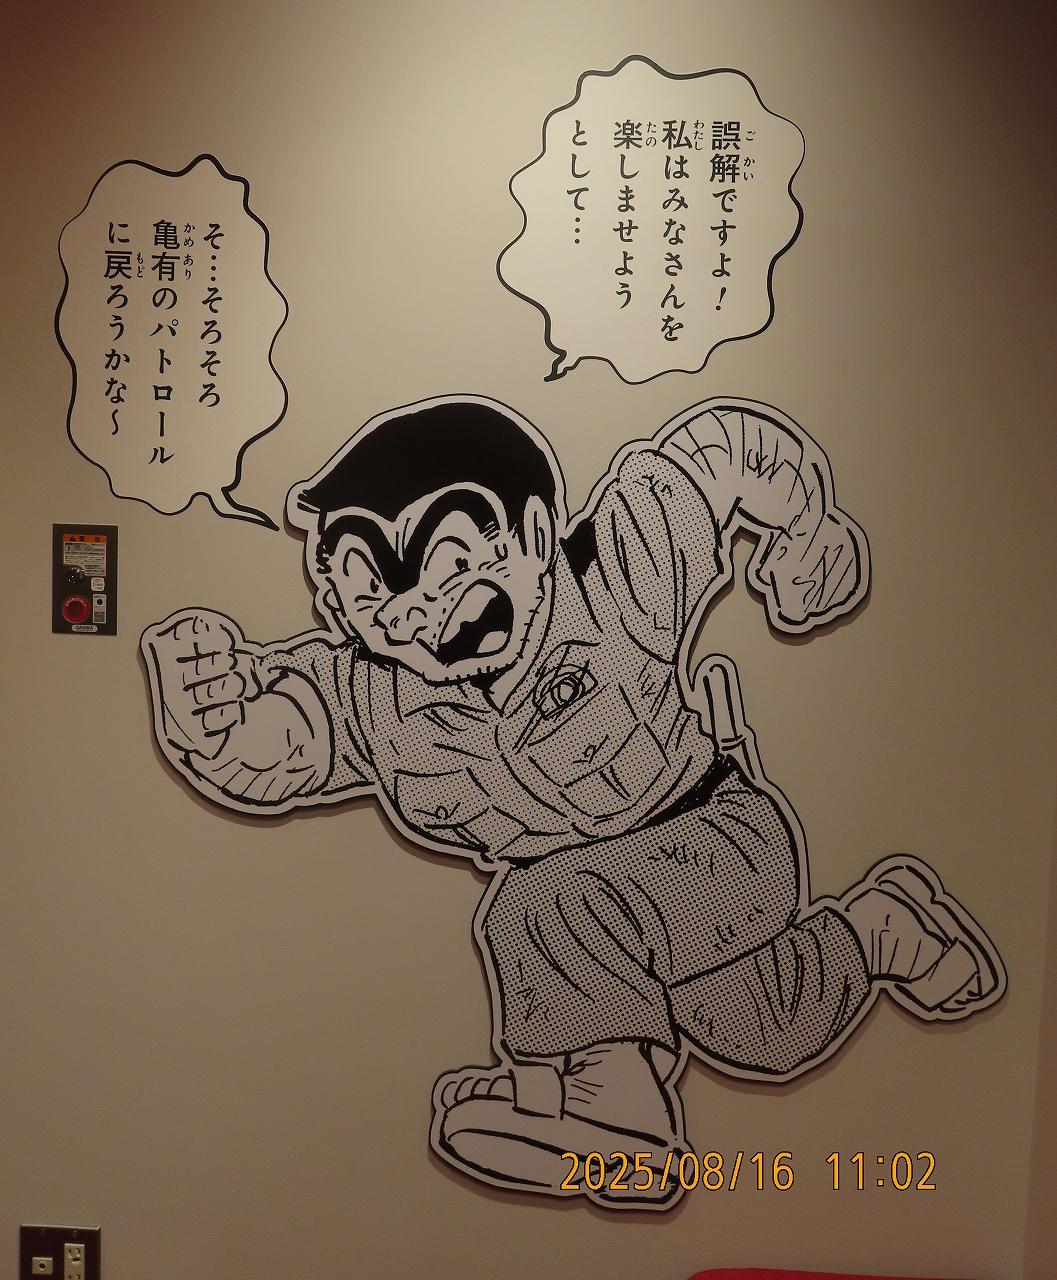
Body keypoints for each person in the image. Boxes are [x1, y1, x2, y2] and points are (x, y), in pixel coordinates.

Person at [142, 394, 1005, 1209]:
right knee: (762, 1029)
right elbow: (280, 745)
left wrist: (805, 530)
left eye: (450, 563)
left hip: (714, 835)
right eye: (370, 590)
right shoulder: (373, 697)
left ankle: (612, 1110)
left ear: (530, 533)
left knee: (537, 903)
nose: (418, 614)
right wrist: (209, 718)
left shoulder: (614, 574)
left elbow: (721, 454)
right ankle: (879, 930)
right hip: (620, 914)